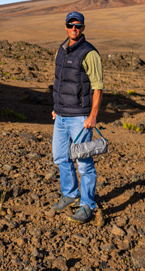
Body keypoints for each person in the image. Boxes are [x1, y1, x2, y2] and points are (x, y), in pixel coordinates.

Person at [51, 11, 104, 223]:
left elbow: (98, 87)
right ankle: (70, 194)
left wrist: (92, 116)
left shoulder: (89, 53)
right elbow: (59, 82)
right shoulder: (61, 50)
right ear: (65, 26)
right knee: (60, 157)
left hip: (80, 118)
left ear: (83, 28)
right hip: (61, 116)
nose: (74, 28)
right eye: (70, 25)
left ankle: (87, 205)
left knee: (84, 163)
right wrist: (56, 108)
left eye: (78, 25)